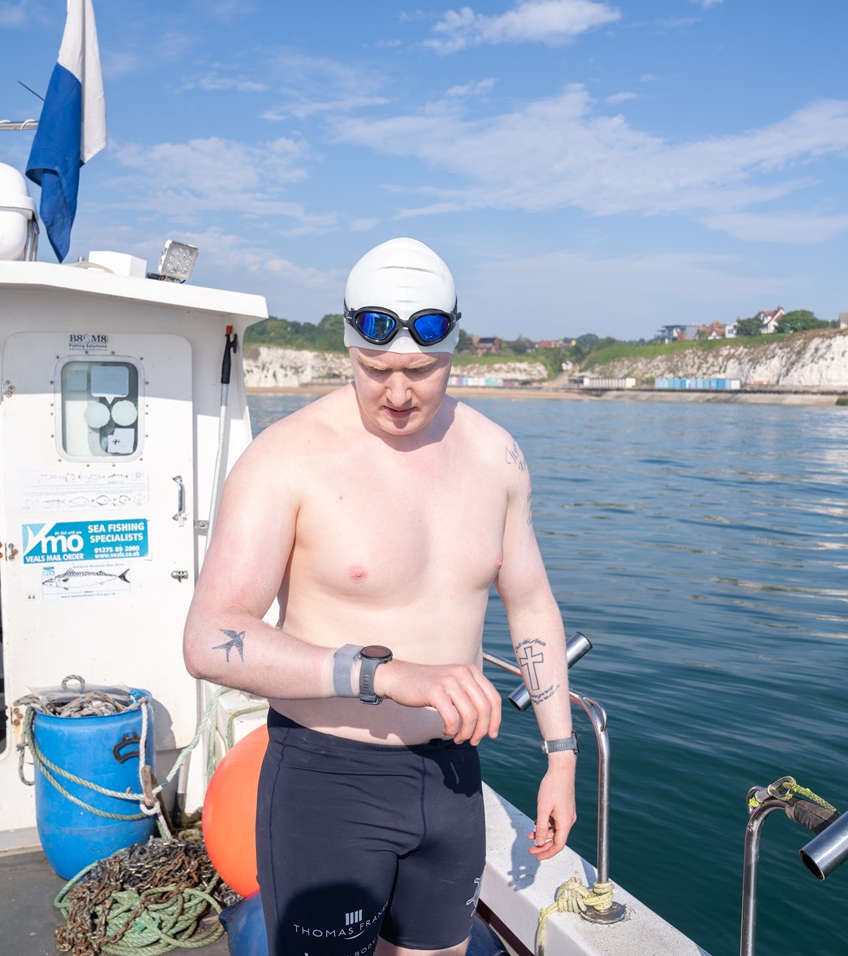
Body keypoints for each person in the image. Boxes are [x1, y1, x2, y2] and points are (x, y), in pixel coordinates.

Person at [183, 237, 577, 956]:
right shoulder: (286, 458)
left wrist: (561, 753)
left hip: (453, 780)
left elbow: (530, 602)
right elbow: (210, 636)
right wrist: (383, 674)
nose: (398, 393)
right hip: (328, 779)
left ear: (454, 349)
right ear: (348, 349)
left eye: (422, 370)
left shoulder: (498, 456)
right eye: (376, 369)